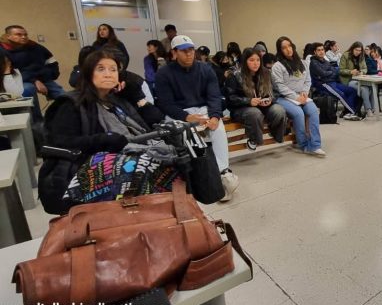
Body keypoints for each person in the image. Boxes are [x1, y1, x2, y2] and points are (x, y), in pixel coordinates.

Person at [41, 50, 180, 212]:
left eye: (113, 70)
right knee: (157, 166)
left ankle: (169, 213)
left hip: (131, 154)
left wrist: (136, 96)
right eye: (101, 69)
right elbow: (61, 142)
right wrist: (104, 139)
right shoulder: (72, 103)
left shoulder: (118, 100)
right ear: (88, 73)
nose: (108, 74)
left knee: (183, 157)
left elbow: (156, 119)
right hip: (89, 168)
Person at [154, 35, 239, 201]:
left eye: (191, 50)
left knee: (218, 130)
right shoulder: (164, 73)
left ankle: (222, 172)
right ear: (174, 53)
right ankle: (192, 176)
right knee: (182, 135)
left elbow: (214, 95)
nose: (189, 54)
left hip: (203, 108)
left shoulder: (205, 69)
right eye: (184, 51)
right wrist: (186, 117)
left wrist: (214, 116)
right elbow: (165, 103)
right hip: (179, 111)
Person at [271, 36, 324, 157]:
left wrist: (305, 92)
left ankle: (315, 145)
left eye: (289, 46)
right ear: (280, 51)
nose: (288, 49)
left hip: (302, 96)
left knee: (313, 111)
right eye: (284, 48)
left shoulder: (303, 63)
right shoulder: (277, 66)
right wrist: (296, 97)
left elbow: (308, 80)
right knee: (298, 113)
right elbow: (280, 86)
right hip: (283, 97)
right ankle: (304, 145)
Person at [224, 49, 287, 150]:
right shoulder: (235, 75)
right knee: (254, 113)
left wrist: (271, 100)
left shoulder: (267, 73)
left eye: (258, 60)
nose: (255, 63)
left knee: (279, 110)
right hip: (242, 108)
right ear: (245, 61)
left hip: (264, 106)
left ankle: (276, 135)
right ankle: (254, 139)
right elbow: (230, 98)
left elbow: (276, 92)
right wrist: (248, 101)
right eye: (251, 60)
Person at [1, 24, 64, 120]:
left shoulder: (35, 47)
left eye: (25, 34)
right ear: (8, 36)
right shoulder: (2, 51)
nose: (23, 37)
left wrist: (42, 78)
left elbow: (52, 64)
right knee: (28, 89)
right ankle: (37, 123)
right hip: (18, 82)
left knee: (64, 96)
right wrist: (34, 80)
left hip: (42, 78)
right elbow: (10, 73)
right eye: (18, 34)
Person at [309, 42, 361, 120]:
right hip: (323, 84)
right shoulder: (313, 63)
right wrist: (330, 73)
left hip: (332, 82)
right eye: (319, 50)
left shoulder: (325, 61)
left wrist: (329, 73)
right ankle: (353, 112)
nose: (321, 52)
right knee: (341, 94)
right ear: (315, 52)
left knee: (352, 91)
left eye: (322, 50)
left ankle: (348, 112)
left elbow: (335, 72)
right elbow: (323, 74)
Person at [339, 41, 376, 119]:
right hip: (348, 80)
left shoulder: (361, 56)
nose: (358, 52)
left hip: (359, 79)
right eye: (356, 50)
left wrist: (362, 72)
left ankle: (373, 109)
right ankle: (368, 109)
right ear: (352, 49)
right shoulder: (345, 55)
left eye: (360, 50)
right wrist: (350, 72)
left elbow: (365, 68)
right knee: (364, 89)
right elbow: (340, 70)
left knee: (371, 87)